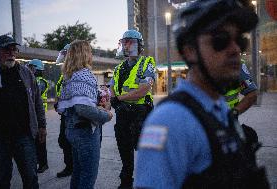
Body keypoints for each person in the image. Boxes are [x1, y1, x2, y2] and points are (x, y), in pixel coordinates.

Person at [134, 1, 269, 189]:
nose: (235, 49)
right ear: (190, 51)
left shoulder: (220, 109)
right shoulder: (170, 121)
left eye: (240, 40)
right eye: (220, 39)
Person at [57, 40, 113, 189]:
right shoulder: (84, 75)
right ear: (84, 54)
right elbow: (83, 109)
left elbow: (70, 106)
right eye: (90, 51)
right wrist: (106, 115)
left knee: (78, 171)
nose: (92, 55)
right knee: (88, 174)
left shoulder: (69, 76)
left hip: (71, 130)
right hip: (85, 131)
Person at [0, 35, 46, 189]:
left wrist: (42, 126)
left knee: (30, 177)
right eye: (6, 49)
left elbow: (37, 102)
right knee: (1, 178)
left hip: (24, 135)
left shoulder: (25, 73)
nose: (11, 53)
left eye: (13, 49)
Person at [109, 29, 156, 189]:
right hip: (123, 114)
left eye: (131, 42)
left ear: (139, 45)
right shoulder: (118, 68)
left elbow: (143, 90)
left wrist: (119, 98)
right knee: (124, 151)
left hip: (141, 114)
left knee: (146, 154)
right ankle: (126, 183)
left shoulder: (147, 63)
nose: (127, 46)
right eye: (124, 42)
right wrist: (114, 100)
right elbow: (112, 89)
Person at [224, 60, 259, 148]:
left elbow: (252, 94)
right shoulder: (199, 62)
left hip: (227, 122)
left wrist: (234, 113)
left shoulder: (235, 64)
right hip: (200, 121)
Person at [55, 44, 73, 178]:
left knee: (71, 141)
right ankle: (69, 166)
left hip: (74, 116)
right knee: (63, 141)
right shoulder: (64, 75)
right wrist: (58, 103)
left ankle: (73, 167)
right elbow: (60, 92)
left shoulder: (76, 73)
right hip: (65, 115)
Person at [28, 59, 49, 173]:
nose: (29, 69)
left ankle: (43, 163)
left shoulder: (40, 81)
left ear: (36, 69)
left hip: (38, 114)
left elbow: (33, 96)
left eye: (31, 67)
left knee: (40, 140)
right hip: (33, 114)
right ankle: (37, 161)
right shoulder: (33, 80)